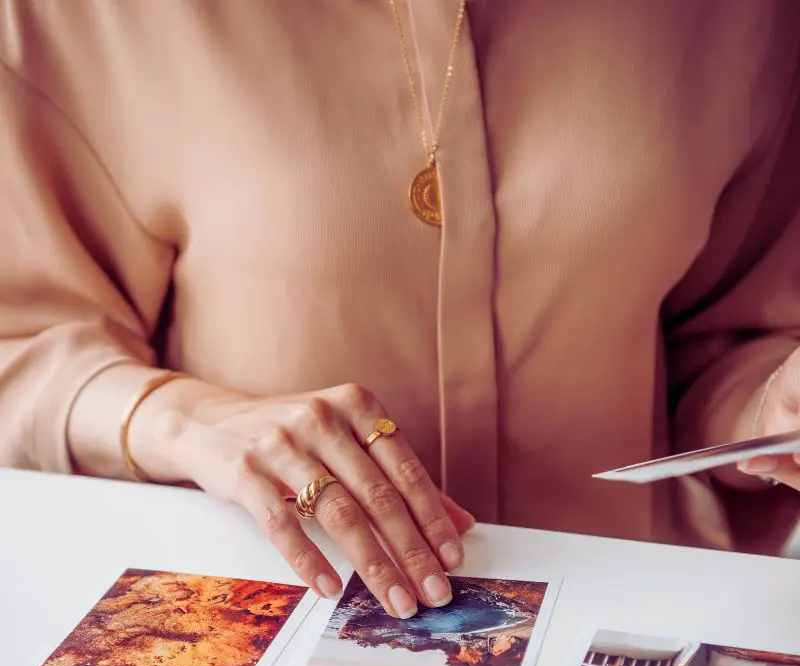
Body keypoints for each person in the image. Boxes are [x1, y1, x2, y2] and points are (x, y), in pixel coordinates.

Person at [1, 1, 799, 620]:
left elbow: (728, 336)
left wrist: (776, 407)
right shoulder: (80, 19)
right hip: (262, 632)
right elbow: (20, 343)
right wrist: (180, 418)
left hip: (623, 626)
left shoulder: (742, 20)